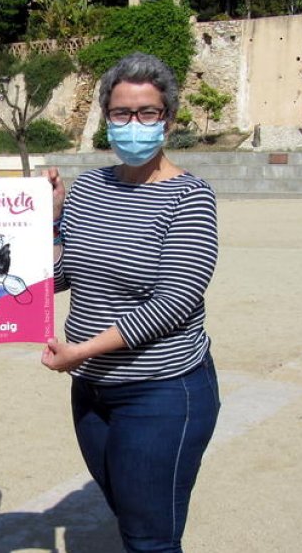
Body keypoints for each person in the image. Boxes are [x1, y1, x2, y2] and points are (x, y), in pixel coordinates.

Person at [42, 52, 221, 552]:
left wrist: (83, 350)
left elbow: (175, 302)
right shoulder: (92, 187)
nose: (134, 124)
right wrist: (50, 219)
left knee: (150, 540)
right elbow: (59, 274)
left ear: (168, 118)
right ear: (107, 117)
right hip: (93, 393)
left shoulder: (189, 197)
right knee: (130, 516)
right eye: (121, 113)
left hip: (161, 392)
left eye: (148, 113)